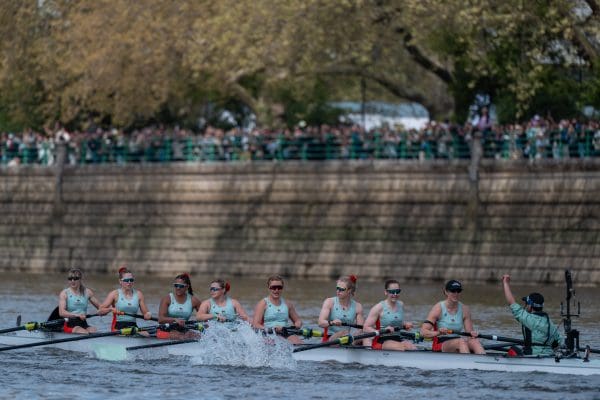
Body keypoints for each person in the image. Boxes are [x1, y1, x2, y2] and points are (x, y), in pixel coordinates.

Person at [502, 274, 561, 356]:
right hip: (549, 356)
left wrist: (505, 283)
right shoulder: (550, 323)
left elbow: (512, 303)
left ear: (530, 305)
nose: (526, 305)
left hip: (533, 357)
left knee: (513, 349)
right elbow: (559, 342)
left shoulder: (528, 319)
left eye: (526, 303)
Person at [420, 279, 485, 354]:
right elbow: (423, 332)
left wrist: (473, 334)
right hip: (440, 343)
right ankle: (468, 360)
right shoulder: (438, 308)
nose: (456, 293)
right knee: (461, 342)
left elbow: (469, 334)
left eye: (458, 291)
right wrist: (438, 332)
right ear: (446, 292)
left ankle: (483, 360)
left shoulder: (465, 309)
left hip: (459, 341)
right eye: (453, 291)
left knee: (475, 341)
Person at [363, 279, 416, 351]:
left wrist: (405, 325)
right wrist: (383, 330)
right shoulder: (379, 307)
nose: (395, 294)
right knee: (403, 347)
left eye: (397, 291)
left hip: (398, 337)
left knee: (412, 347)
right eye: (392, 292)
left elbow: (396, 321)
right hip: (383, 339)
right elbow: (366, 327)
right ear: (386, 292)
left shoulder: (401, 304)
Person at [99, 266, 153, 335]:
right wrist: (110, 309)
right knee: (140, 334)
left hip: (133, 326)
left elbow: (146, 313)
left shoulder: (139, 294)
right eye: (126, 280)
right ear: (120, 281)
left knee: (146, 334)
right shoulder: (114, 294)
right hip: (118, 327)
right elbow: (100, 311)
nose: (129, 282)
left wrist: (148, 314)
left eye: (131, 280)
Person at [252, 275, 303, 344]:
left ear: (282, 288)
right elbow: (255, 324)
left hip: (285, 332)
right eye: (273, 288)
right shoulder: (263, 304)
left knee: (298, 342)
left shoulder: (288, 304)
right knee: (275, 342)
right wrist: (273, 329)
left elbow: (298, 320)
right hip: (268, 333)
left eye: (279, 287)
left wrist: (298, 324)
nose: (276, 290)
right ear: (269, 288)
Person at [317, 275, 364, 341]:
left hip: (347, 338)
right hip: (329, 339)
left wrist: (358, 334)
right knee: (344, 333)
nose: (338, 291)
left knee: (363, 335)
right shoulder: (329, 302)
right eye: (337, 288)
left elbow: (360, 329)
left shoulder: (358, 307)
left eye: (341, 289)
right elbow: (320, 322)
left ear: (349, 290)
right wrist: (332, 323)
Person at [58, 268, 104, 334]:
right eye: (70, 279)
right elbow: (62, 313)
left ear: (80, 279)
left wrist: (108, 310)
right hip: (70, 324)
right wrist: (77, 315)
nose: (72, 281)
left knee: (93, 330)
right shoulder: (64, 293)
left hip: (83, 323)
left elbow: (101, 307)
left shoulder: (87, 292)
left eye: (75, 278)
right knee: (83, 332)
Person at [157, 273, 202, 339]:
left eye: (181, 286)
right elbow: (160, 319)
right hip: (166, 329)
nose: (178, 288)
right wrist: (175, 320)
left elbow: (204, 316)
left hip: (183, 329)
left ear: (187, 287)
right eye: (176, 285)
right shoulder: (167, 299)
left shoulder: (194, 300)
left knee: (198, 336)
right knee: (180, 336)